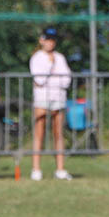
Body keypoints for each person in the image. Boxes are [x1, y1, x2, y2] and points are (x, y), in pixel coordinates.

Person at [29, 26, 73, 181]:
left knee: (58, 135)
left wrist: (53, 75)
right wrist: (51, 67)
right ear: (42, 40)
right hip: (42, 99)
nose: (50, 43)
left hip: (58, 98)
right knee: (39, 134)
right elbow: (39, 79)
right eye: (48, 39)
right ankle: (36, 169)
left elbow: (66, 80)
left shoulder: (60, 57)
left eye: (53, 40)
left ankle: (60, 169)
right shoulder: (37, 58)